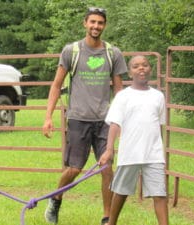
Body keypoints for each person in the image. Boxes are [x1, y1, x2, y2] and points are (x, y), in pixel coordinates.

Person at [42, 7, 127, 225]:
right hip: (79, 118)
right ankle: (56, 199)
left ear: (104, 25)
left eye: (100, 23)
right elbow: (56, 84)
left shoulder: (113, 53)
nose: (96, 26)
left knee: (107, 169)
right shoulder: (72, 51)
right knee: (74, 169)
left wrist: (122, 119)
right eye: (92, 22)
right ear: (85, 23)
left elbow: (119, 90)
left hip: (105, 121)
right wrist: (48, 117)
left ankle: (107, 218)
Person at [99, 55, 169, 225]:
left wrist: (159, 149)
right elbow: (115, 123)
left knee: (159, 194)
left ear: (150, 69)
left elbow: (158, 124)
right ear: (130, 73)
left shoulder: (158, 96)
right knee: (121, 191)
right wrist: (109, 149)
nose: (141, 68)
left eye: (145, 65)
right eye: (136, 66)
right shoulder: (123, 96)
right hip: (130, 153)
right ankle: (111, 222)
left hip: (153, 154)